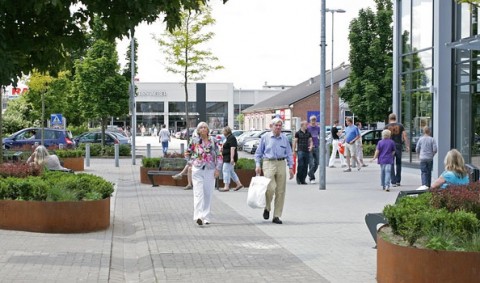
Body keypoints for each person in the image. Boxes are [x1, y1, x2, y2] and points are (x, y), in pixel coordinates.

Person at [254, 118, 294, 224]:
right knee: (270, 188)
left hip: (281, 163)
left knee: (280, 191)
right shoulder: (265, 137)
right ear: (271, 126)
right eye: (276, 125)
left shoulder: (284, 138)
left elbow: (289, 153)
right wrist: (258, 165)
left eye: (280, 125)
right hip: (268, 163)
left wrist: (291, 167)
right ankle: (267, 207)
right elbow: (258, 153)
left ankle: (276, 216)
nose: (278, 127)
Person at [186, 121, 222, 225]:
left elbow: (219, 155)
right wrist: (191, 162)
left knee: (208, 193)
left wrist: (218, 169)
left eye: (205, 127)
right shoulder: (194, 141)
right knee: (198, 193)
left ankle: (206, 217)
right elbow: (187, 153)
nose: (203, 129)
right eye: (201, 127)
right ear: (198, 130)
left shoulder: (214, 141)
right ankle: (198, 216)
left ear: (207, 130)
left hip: (210, 169)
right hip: (197, 169)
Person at [384, 113, 410, 187]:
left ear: (389, 119)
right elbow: (405, 135)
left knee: (391, 164)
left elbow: (384, 137)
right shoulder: (400, 126)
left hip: (389, 146)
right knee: (398, 163)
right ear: (395, 118)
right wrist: (407, 145)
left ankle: (393, 181)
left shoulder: (386, 126)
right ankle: (398, 180)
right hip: (398, 145)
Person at [219, 126, 244, 192]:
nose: (222, 133)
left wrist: (232, 158)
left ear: (226, 131)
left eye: (223, 131)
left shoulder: (231, 138)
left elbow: (232, 148)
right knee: (231, 171)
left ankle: (226, 186)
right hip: (228, 157)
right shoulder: (229, 138)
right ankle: (239, 184)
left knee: (225, 170)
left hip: (229, 158)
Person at [293, 120, 312, 184]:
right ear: (302, 125)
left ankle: (303, 179)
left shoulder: (308, 133)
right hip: (300, 150)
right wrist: (294, 151)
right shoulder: (297, 133)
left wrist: (311, 146)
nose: (307, 126)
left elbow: (311, 141)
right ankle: (298, 179)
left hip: (307, 151)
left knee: (305, 166)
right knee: (301, 165)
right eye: (306, 125)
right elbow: (295, 142)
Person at [307, 115, 320, 183]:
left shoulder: (318, 128)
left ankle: (310, 173)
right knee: (311, 163)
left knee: (317, 162)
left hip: (316, 146)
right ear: (310, 121)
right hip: (309, 147)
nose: (313, 121)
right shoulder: (308, 128)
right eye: (312, 120)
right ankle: (312, 178)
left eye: (314, 120)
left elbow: (320, 135)